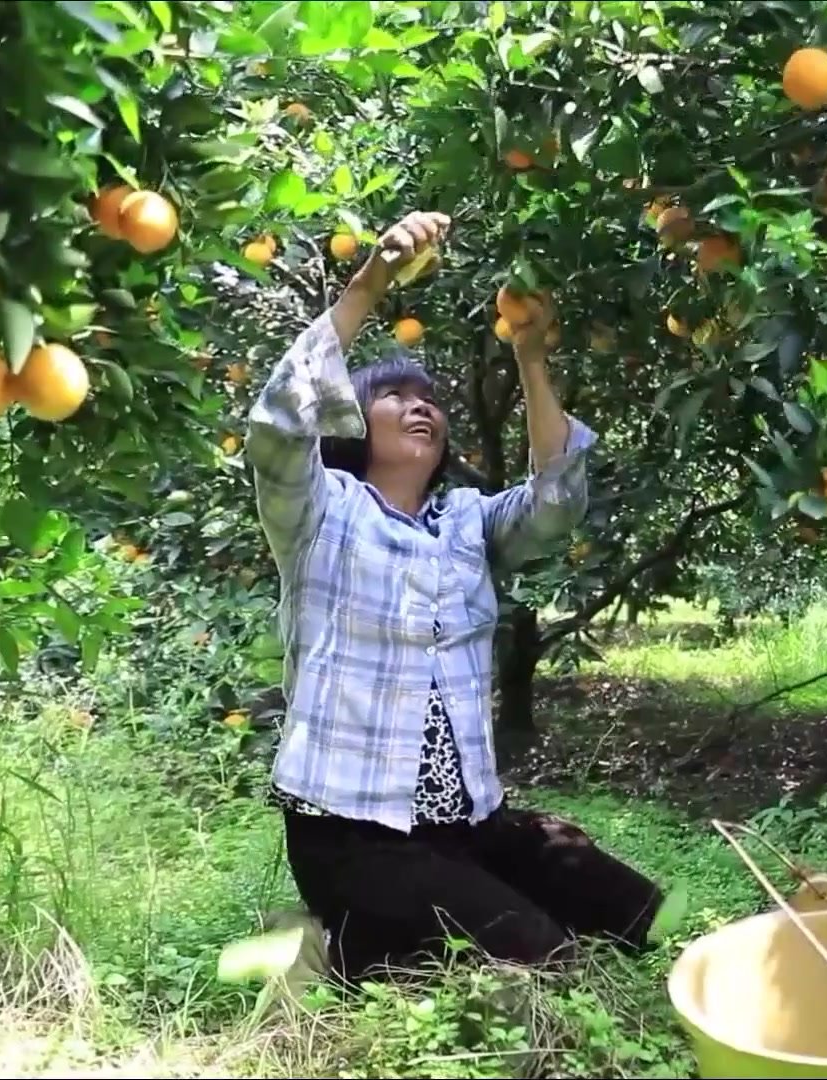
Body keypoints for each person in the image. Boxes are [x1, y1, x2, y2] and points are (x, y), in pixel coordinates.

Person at [243, 210, 666, 985]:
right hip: (352, 831)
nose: (421, 404)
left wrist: (532, 358)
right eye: (395, 393)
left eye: (431, 400)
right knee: (545, 960)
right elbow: (277, 421)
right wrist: (371, 281)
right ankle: (337, 947)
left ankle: (373, 943)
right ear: (352, 420)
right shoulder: (318, 511)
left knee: (637, 914)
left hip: (466, 824)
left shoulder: (466, 522)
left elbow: (555, 504)